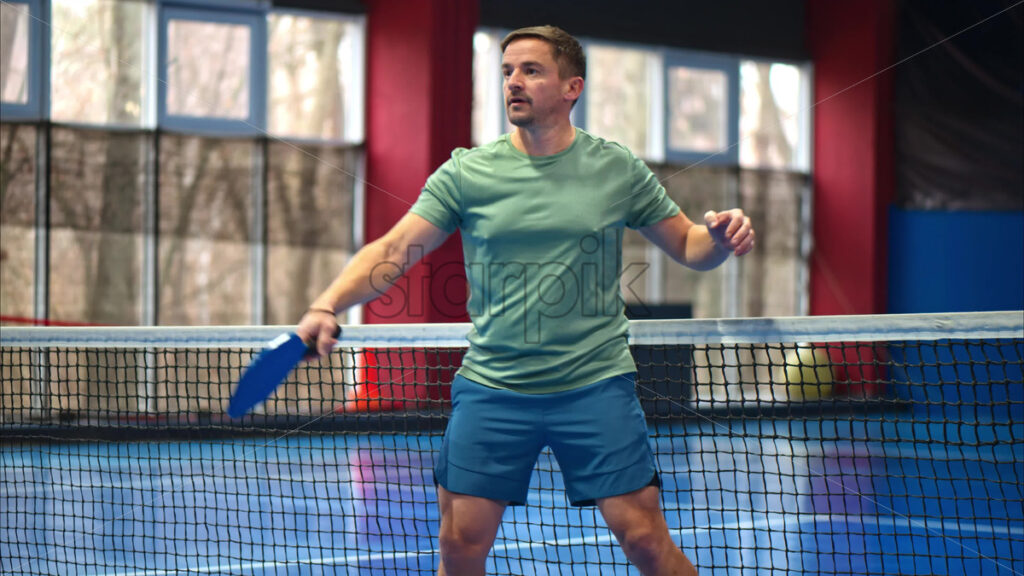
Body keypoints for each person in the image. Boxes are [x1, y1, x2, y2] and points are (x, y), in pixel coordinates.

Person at [297, 25, 753, 576]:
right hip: (494, 388)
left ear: (571, 88)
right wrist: (327, 303)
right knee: (460, 543)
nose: (514, 81)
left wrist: (721, 240)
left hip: (594, 385)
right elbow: (394, 248)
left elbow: (687, 243)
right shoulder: (467, 173)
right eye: (508, 71)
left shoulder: (616, 168)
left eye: (531, 70)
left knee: (644, 539)